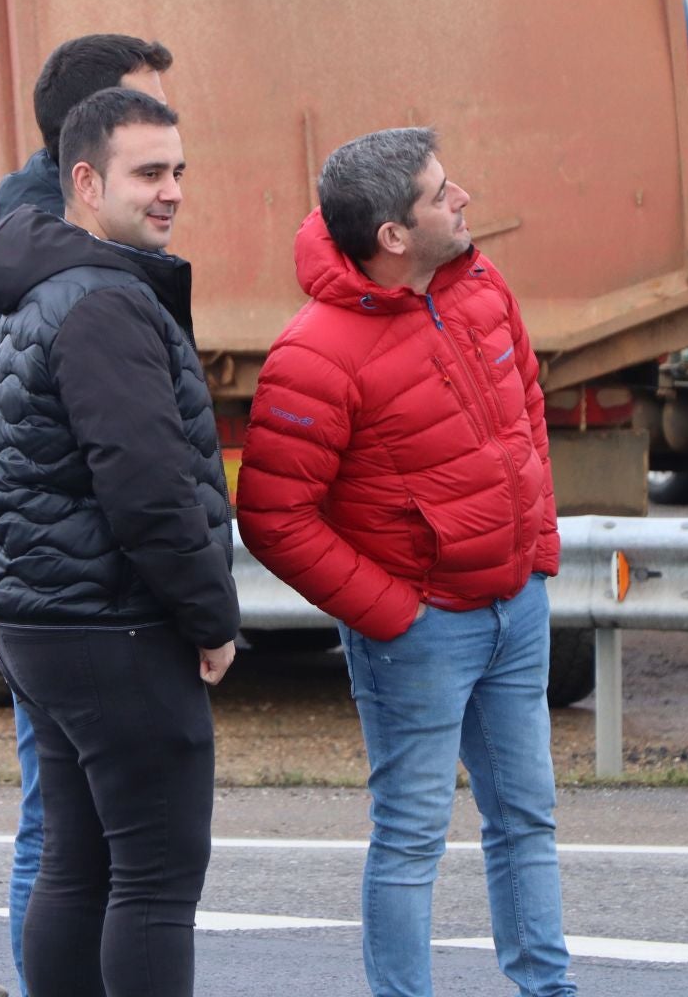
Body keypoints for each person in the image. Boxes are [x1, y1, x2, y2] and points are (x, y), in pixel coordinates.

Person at [235, 128, 572, 997]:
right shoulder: (313, 352)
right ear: (392, 235)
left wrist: (536, 548)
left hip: (514, 603)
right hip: (420, 632)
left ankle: (548, 987)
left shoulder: (480, 286)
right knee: (414, 834)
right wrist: (393, 613)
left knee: (526, 817)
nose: (462, 198)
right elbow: (274, 517)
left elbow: (526, 403)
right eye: (440, 192)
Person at [0, 87, 239, 997]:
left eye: (178, 172)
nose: (170, 192)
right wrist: (209, 616)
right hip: (110, 619)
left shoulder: (38, 287)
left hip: (47, 611)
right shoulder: (104, 303)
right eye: (148, 173)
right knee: (156, 884)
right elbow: (148, 485)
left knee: (78, 869)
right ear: (85, 181)